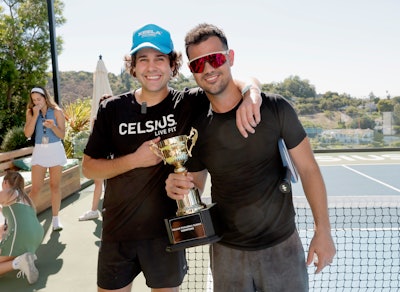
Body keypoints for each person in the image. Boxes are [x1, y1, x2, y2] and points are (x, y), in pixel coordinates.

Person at [82, 23, 262, 292]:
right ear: (133, 66)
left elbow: (235, 81)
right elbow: (89, 169)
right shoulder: (112, 108)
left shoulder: (189, 102)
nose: (151, 67)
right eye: (143, 59)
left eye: (160, 59)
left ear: (172, 65)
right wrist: (135, 160)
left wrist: (253, 93)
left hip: (168, 235)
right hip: (117, 235)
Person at [165, 23, 336, 292]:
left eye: (216, 58)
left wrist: (323, 231)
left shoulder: (275, 108)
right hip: (226, 253)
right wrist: (180, 189)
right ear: (191, 71)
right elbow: (196, 183)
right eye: (199, 64)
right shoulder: (196, 126)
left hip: (282, 249)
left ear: (230, 58)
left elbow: (309, 169)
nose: (209, 69)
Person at [24, 86, 67, 231]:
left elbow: (62, 135)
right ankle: (27, 219)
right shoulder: (31, 112)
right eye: (34, 100)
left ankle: (56, 219)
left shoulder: (57, 111)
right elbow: (27, 133)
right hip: (40, 151)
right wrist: (35, 115)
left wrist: (53, 127)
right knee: (35, 189)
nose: (37, 102)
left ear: (45, 97)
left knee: (54, 186)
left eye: (39, 99)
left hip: (55, 149)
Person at [0, 171, 44, 284]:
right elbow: (15, 218)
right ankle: (25, 256)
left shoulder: (7, 193)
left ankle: (19, 262)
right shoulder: (26, 198)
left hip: (21, 235)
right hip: (36, 236)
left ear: (5, 182)